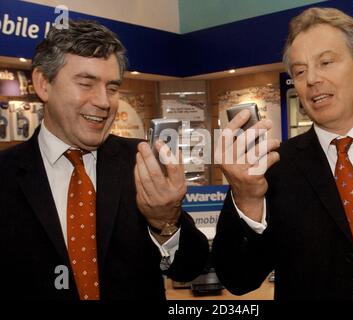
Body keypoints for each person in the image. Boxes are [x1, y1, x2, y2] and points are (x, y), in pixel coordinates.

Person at [212, 7, 353, 300]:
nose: (311, 79)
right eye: (299, 71)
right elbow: (238, 279)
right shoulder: (272, 168)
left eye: (326, 62)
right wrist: (247, 198)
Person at [0, 20, 209, 300]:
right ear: (43, 84)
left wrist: (165, 221)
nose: (104, 101)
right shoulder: (6, 174)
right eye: (86, 83)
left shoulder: (142, 161)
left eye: (112, 88)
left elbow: (189, 268)